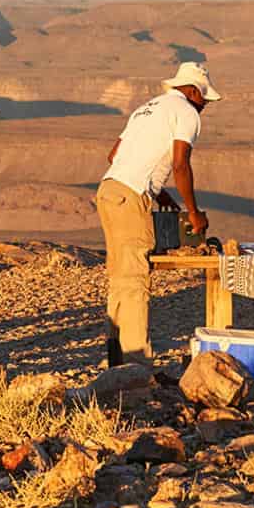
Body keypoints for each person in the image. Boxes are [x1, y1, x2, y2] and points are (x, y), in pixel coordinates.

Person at [97, 61, 221, 365]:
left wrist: (160, 193)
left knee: (120, 279)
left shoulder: (147, 108)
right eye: (204, 97)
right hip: (130, 197)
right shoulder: (187, 113)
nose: (205, 104)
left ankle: (116, 360)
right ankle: (136, 367)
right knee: (136, 280)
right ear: (192, 91)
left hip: (109, 190)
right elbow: (180, 164)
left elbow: (114, 155)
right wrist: (193, 213)